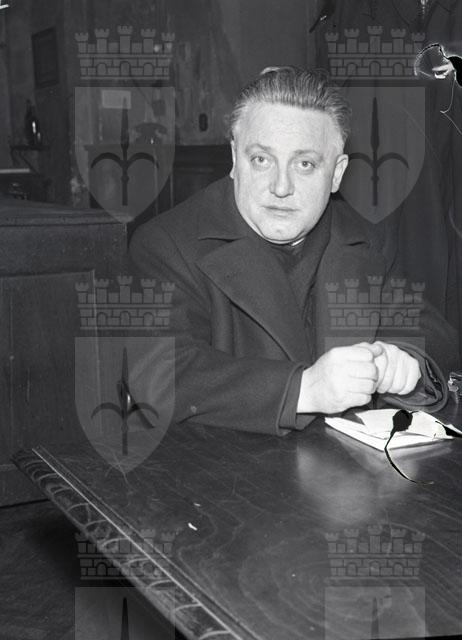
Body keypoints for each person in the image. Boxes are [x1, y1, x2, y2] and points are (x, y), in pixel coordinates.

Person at [129, 66, 459, 435]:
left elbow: (432, 329)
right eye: (261, 160)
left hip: (344, 465)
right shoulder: (165, 243)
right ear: (235, 159)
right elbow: (160, 376)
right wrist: (305, 389)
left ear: (337, 174)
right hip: (220, 465)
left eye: (305, 164)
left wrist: (406, 361)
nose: (281, 187)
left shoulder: (369, 239)